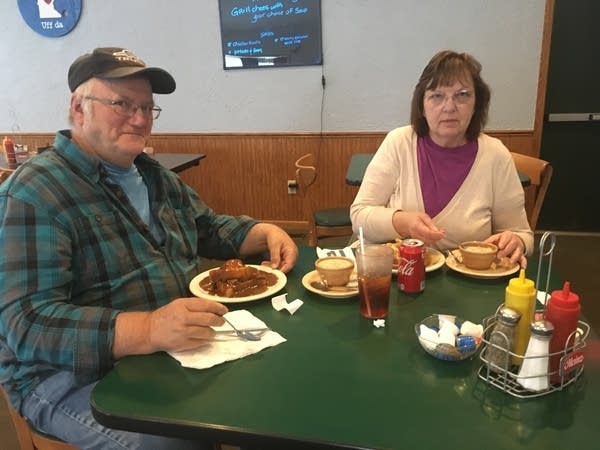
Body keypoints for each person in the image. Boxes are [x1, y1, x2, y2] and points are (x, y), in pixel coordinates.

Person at [0, 47, 298, 449]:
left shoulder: (151, 174)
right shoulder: (35, 191)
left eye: (147, 107)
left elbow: (207, 227)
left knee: (270, 388)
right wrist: (150, 329)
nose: (139, 119)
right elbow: (28, 324)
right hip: (65, 379)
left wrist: (262, 232)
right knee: (174, 441)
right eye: (122, 104)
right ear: (78, 108)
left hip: (166, 355)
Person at [350, 50, 533, 267]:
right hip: (396, 277)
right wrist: (402, 222)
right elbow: (359, 216)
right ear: (422, 105)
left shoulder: (495, 155)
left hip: (468, 284)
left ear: (477, 104)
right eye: (437, 96)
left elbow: (523, 235)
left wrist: (516, 240)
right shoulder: (399, 142)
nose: (449, 107)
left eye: (462, 95)